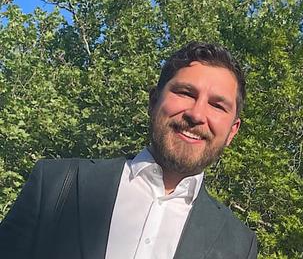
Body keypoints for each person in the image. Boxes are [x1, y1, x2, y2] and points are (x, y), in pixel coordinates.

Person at [0, 41, 257, 259]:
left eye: (217, 105)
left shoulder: (239, 245)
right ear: (154, 101)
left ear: (232, 131)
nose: (197, 114)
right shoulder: (57, 184)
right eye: (185, 93)